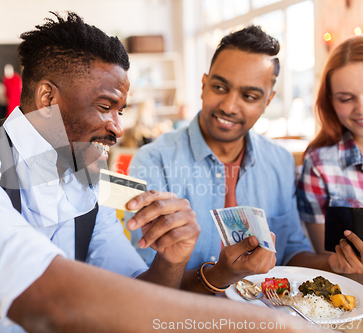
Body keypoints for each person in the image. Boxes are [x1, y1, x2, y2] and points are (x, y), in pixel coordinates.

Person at [0, 13, 314, 333]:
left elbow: (134, 294)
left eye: (121, 109)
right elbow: (40, 292)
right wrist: (258, 324)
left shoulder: (86, 180)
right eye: (105, 106)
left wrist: (172, 258)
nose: (117, 126)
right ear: (46, 97)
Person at [129, 25, 344, 295]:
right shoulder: (153, 162)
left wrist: (336, 263)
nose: (229, 106)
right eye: (220, 87)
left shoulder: (279, 162)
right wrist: (220, 275)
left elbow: (291, 253)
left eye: (249, 96)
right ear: (204, 85)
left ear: (268, 101)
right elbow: (144, 282)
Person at [297, 35, 363, 275]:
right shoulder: (319, 164)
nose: (361, 108)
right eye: (346, 99)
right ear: (330, 102)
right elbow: (327, 262)